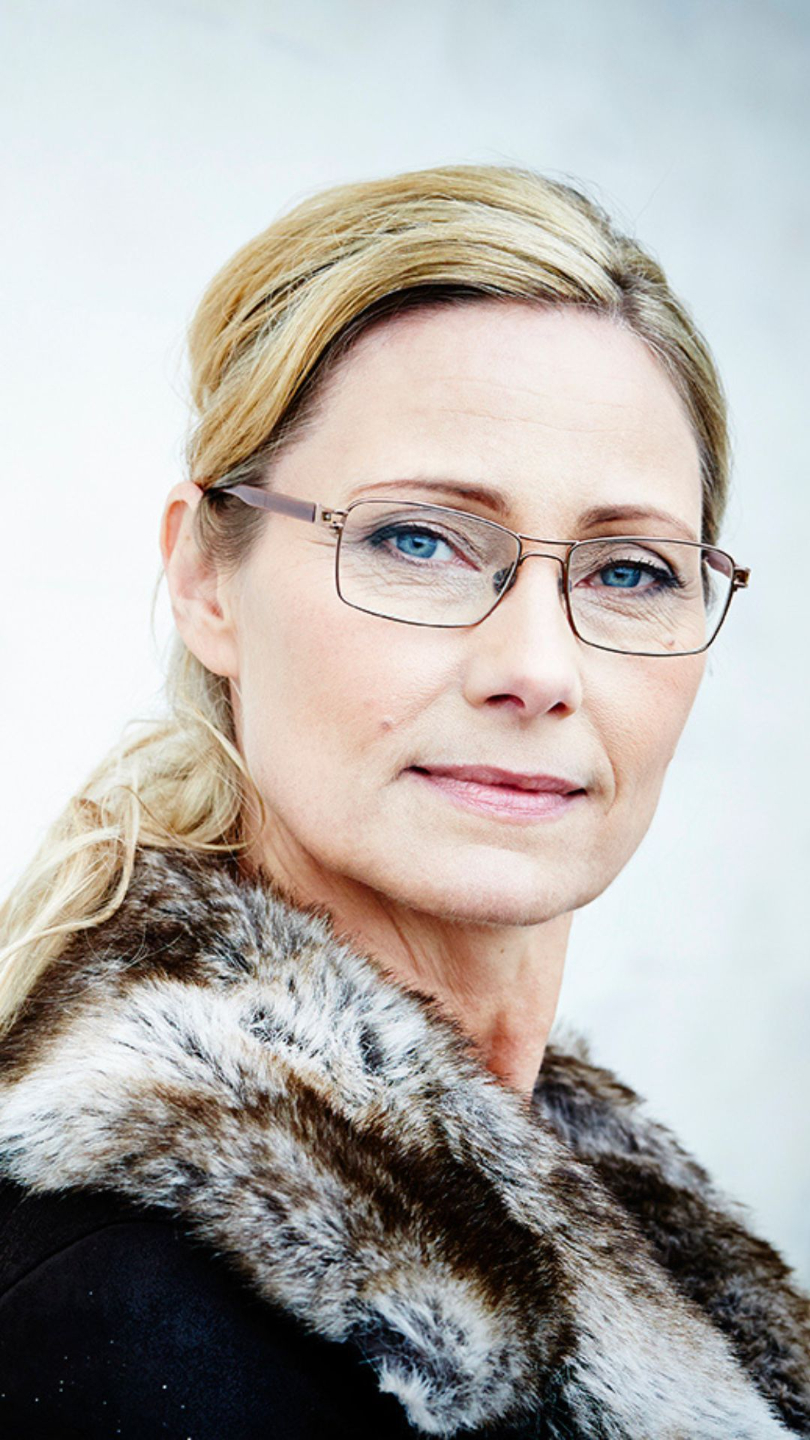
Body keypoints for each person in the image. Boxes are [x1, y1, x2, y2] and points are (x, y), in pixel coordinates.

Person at [0, 164, 807, 1440]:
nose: (538, 669)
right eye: (418, 540)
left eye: (630, 570)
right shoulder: (131, 1318)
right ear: (207, 580)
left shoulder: (571, 1189)